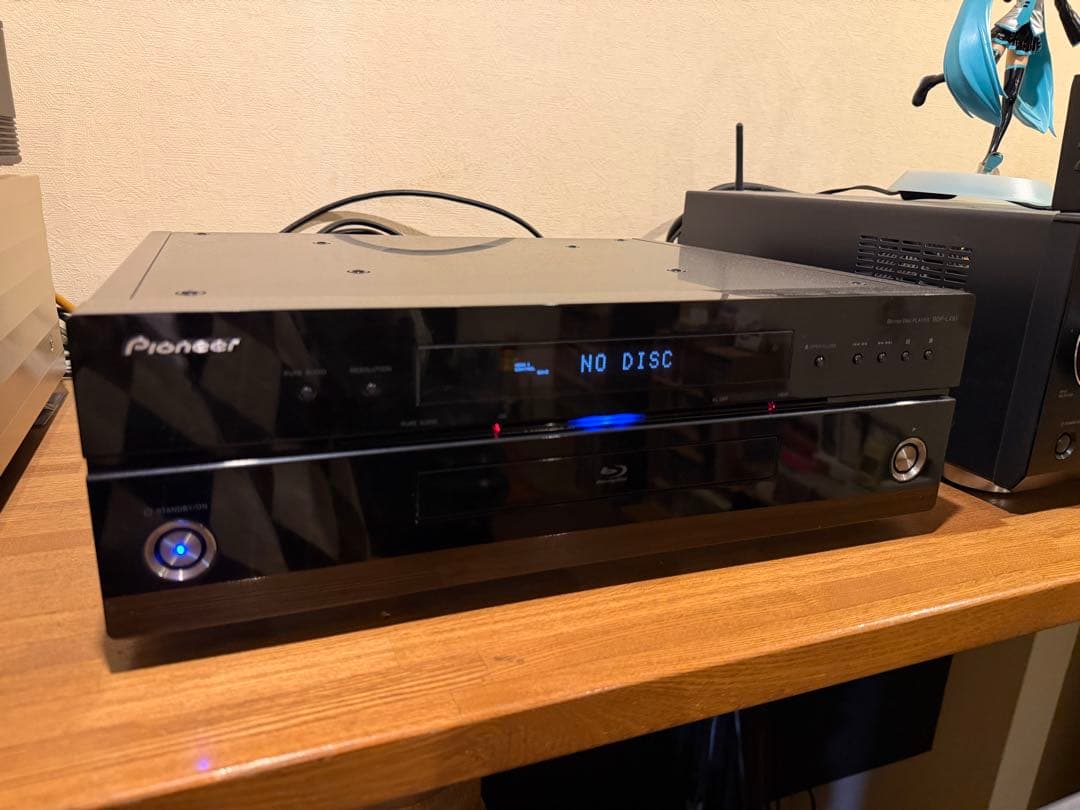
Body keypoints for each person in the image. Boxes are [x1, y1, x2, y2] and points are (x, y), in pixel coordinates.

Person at [912, 0, 1080, 174]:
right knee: (978, 69)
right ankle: (932, 81)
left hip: (1028, 33)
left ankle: (990, 155)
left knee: (1011, 96)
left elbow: (1061, 6)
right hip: (1011, 25)